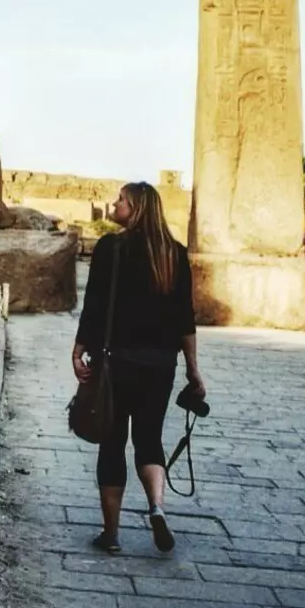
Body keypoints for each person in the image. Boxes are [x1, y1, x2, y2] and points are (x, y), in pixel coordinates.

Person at [71, 181, 205, 554]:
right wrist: (193, 370)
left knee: (112, 445)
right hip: (160, 368)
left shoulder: (111, 249)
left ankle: (111, 534)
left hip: (115, 364)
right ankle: (157, 508)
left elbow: (95, 305)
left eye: (120, 201)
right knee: (149, 440)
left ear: (136, 208)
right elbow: (185, 320)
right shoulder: (174, 254)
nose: (115, 205)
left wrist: (80, 347)